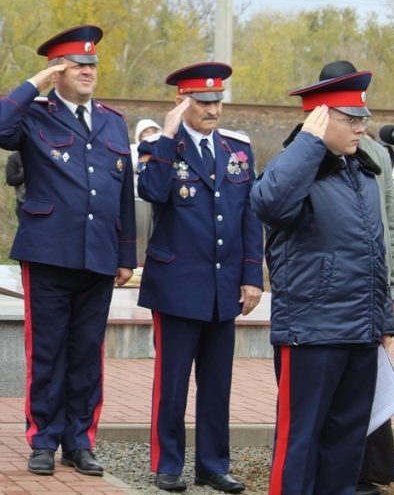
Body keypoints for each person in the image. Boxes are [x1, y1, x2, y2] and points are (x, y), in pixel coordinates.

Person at [0, 24, 136, 477]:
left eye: (92, 65)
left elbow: (123, 193)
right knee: (47, 352)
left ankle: (79, 441)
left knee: (87, 354)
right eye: (77, 65)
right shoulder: (35, 114)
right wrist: (36, 83)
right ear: (57, 71)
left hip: (99, 254)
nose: (88, 71)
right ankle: (43, 439)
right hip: (49, 252)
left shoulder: (112, 120)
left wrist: (126, 254)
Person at [252, 69, 394, 495]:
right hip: (312, 332)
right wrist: (308, 144)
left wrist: (383, 319)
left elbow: (374, 252)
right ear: (318, 118)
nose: (361, 128)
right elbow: (269, 203)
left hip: (359, 331)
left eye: (362, 119)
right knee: (300, 443)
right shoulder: (295, 168)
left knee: (346, 447)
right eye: (350, 119)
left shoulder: (362, 172)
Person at [135, 63, 262, 493]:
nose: (213, 110)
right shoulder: (160, 146)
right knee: (172, 383)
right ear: (182, 102)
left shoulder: (237, 150)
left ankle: (213, 465)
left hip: (223, 287)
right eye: (204, 102)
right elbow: (152, 192)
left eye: (217, 101)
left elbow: (249, 216)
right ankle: (168, 463)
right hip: (176, 286)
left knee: (217, 384)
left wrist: (252, 275)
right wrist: (168, 134)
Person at [315, 61, 394, 495]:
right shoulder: (312, 151)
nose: (357, 122)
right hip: (335, 294)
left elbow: (391, 223)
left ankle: (366, 469)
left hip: (374, 284)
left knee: (370, 383)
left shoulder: (377, 155)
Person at [132, 118, 161, 266]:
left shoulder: (162, 149)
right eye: (146, 132)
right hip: (138, 199)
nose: (150, 135)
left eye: (153, 131)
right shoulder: (133, 150)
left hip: (157, 201)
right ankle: (139, 263)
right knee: (140, 235)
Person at [5, 150, 27, 217]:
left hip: (45, 202)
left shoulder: (41, 155)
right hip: (23, 203)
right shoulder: (14, 158)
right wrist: (28, 172)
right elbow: (10, 180)